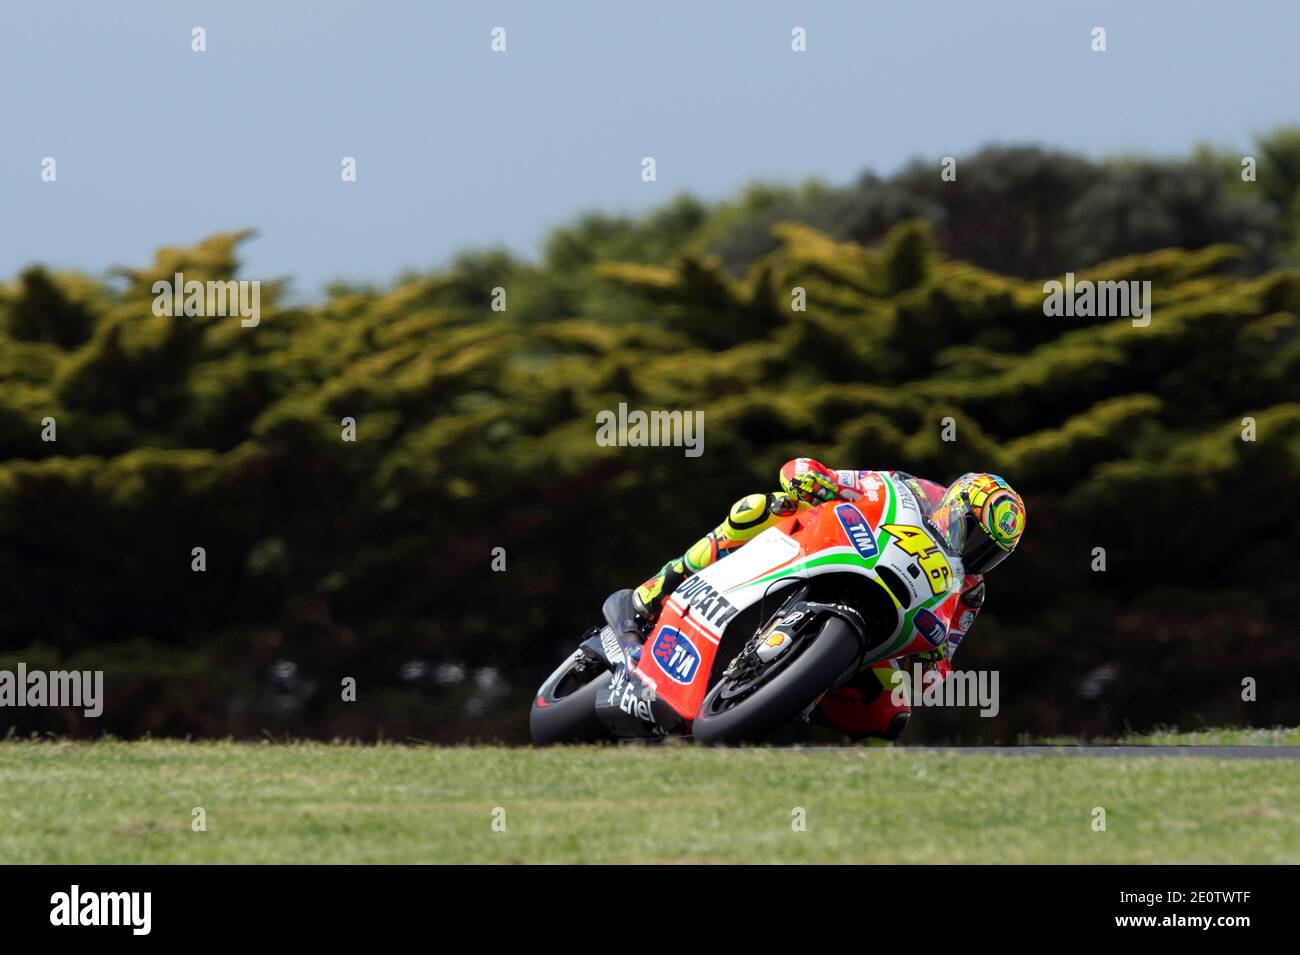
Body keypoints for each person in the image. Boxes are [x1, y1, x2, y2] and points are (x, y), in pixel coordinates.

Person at [632, 458, 1026, 741]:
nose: (977, 555)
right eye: (974, 535)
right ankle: (667, 580)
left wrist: (930, 664)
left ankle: (821, 754)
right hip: (839, 552)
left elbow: (940, 663)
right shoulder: (905, 489)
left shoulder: (970, 591)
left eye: (990, 552)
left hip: (880, 632)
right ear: (956, 506)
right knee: (761, 507)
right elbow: (821, 474)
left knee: (892, 715)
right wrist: (813, 480)